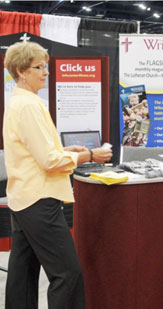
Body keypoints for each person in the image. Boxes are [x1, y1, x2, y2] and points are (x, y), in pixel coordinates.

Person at [3, 41, 112, 309]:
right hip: (39, 200)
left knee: (22, 274)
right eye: (39, 67)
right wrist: (88, 156)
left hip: (24, 198)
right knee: (67, 273)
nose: (46, 72)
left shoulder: (20, 102)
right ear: (20, 71)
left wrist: (64, 149)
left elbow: (35, 151)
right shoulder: (29, 106)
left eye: (46, 67)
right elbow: (49, 161)